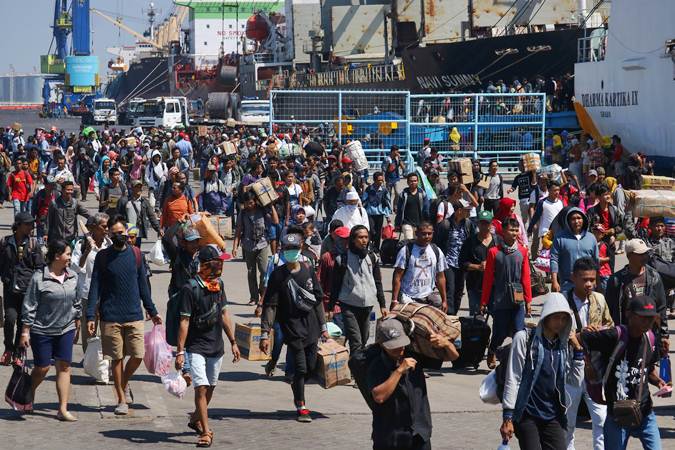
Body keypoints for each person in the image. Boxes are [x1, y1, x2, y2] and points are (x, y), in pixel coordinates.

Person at [86, 215, 162, 416]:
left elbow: (143, 286)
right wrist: (90, 317)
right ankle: (120, 397)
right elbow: (95, 287)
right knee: (117, 359)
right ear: (109, 233)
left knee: (138, 355)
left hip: (134, 314)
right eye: (116, 233)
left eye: (122, 233)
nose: (120, 236)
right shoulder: (103, 257)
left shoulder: (136, 255)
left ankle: (124, 382)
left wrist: (152, 311)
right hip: (111, 316)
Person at [580, 296, 668, 450]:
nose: (647, 322)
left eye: (650, 318)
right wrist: (588, 365)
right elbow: (582, 338)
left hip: (645, 412)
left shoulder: (651, 338)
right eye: (642, 317)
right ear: (629, 314)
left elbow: (647, 369)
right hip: (617, 415)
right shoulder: (614, 336)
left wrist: (657, 381)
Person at [500, 293, 585, 450]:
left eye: (563, 318)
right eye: (555, 317)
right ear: (546, 316)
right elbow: (514, 377)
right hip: (527, 414)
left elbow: (575, 381)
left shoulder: (563, 345)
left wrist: (578, 351)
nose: (559, 322)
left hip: (553, 415)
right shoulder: (524, 338)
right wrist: (508, 417)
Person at [175, 245, 240, 448]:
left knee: (210, 388)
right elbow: (183, 323)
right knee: (201, 389)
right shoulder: (190, 288)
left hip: (216, 347)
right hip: (196, 347)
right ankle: (205, 431)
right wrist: (180, 352)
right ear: (203, 265)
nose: (218, 267)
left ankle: (196, 418)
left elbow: (224, 315)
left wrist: (233, 342)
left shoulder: (219, 285)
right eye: (214, 263)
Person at [260, 233, 329, 423]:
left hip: (312, 327)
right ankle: (301, 405)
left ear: (300, 249)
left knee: (311, 366)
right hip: (291, 328)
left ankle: (296, 384)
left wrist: (324, 327)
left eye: (294, 249)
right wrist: (264, 334)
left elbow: (318, 301)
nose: (291, 253)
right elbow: (270, 306)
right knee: (300, 367)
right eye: (287, 249)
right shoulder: (277, 275)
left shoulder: (308, 271)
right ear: (282, 250)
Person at [367, 317, 459, 450]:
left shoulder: (415, 355)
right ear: (382, 344)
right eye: (393, 347)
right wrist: (399, 371)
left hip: (419, 433)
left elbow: (453, 357)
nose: (399, 349)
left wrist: (447, 344)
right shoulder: (376, 365)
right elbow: (379, 397)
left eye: (401, 344)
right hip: (390, 436)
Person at [19, 240, 79, 421]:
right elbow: (30, 305)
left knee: (64, 366)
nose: (70, 257)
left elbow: (76, 301)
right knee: (43, 367)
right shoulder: (39, 278)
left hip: (65, 328)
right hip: (42, 330)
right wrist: (25, 331)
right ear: (57, 256)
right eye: (67, 254)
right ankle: (27, 392)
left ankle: (62, 409)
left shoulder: (72, 276)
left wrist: (77, 320)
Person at [563, 257, 614, 450]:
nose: (589, 284)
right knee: (568, 421)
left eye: (592, 279)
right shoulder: (562, 301)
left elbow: (611, 327)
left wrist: (600, 331)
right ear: (573, 278)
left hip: (595, 369)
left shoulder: (599, 299)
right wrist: (579, 334)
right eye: (584, 279)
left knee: (600, 419)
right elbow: (556, 333)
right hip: (570, 369)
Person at [481, 218, 532, 369]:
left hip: (518, 299)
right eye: (511, 230)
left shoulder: (522, 251)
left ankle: (517, 361)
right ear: (503, 232)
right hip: (500, 299)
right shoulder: (493, 252)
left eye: (517, 230)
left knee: (519, 332)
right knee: (500, 332)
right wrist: (484, 301)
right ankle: (492, 350)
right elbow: (488, 279)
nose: (515, 233)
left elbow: (526, 276)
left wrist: (528, 300)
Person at [605, 239, 669, 355]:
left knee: (648, 368)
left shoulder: (654, 277)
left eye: (646, 253)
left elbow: (661, 308)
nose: (644, 256)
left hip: (649, 333)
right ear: (629, 256)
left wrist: (664, 335)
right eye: (640, 254)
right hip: (625, 334)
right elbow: (609, 309)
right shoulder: (616, 280)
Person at [330, 225, 386, 354]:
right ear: (353, 240)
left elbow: (377, 282)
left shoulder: (373, 257)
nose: (364, 240)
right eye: (360, 237)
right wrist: (331, 307)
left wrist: (382, 304)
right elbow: (336, 284)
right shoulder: (342, 259)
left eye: (366, 237)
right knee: (356, 341)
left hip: (367, 305)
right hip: (349, 305)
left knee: (365, 338)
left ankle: (354, 363)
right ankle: (358, 371)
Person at [0, 212, 45, 366]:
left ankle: (19, 353)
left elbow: (40, 267)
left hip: (27, 290)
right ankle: (8, 348)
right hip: (10, 288)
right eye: (27, 224)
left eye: (32, 224)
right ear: (18, 225)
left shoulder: (33, 244)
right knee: (10, 319)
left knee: (22, 321)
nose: (31, 227)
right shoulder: (5, 242)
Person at [70, 213, 111, 352]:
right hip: (87, 292)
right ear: (94, 228)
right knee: (89, 327)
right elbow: (75, 267)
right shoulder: (81, 244)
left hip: (107, 292)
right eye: (104, 226)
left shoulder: (110, 244)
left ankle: (104, 356)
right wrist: (86, 251)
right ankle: (89, 357)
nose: (107, 229)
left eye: (108, 226)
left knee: (107, 327)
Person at [232, 191, 279, 304]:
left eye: (251, 202)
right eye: (247, 203)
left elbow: (276, 221)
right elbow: (238, 231)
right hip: (248, 246)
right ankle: (253, 297)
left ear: (255, 201)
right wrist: (235, 247)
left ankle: (263, 294)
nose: (249, 205)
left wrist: (271, 205)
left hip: (262, 244)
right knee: (251, 272)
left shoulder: (262, 210)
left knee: (264, 271)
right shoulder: (242, 214)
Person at [391, 222, 447, 311]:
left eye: (430, 233)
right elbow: (397, 277)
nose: (427, 236)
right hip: (408, 296)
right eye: (424, 234)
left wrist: (444, 300)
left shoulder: (436, 251)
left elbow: (441, 277)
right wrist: (394, 300)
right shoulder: (406, 250)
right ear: (416, 234)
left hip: (428, 295)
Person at [436, 199, 475, 315]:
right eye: (466, 210)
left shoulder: (468, 224)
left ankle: (454, 314)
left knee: (459, 292)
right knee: (450, 290)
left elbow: (473, 240)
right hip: (448, 263)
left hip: (462, 263)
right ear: (459, 211)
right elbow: (437, 244)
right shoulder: (445, 224)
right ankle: (450, 316)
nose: (468, 212)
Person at [550, 207, 598, 293]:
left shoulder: (591, 238)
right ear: (568, 221)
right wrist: (554, 281)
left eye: (579, 218)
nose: (576, 221)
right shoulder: (560, 238)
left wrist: (597, 281)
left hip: (587, 284)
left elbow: (596, 261)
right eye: (573, 219)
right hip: (567, 285)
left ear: (584, 220)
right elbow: (554, 259)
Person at [459, 210, 496, 316]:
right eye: (482, 223)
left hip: (494, 287)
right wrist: (477, 267)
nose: (484, 226)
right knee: (476, 321)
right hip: (475, 286)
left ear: (491, 224)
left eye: (487, 223)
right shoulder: (469, 242)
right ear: (478, 224)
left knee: (499, 319)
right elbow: (462, 263)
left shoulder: (498, 241)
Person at [116, 179, 161, 247]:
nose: (138, 189)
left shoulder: (144, 202)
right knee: (126, 249)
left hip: (138, 232)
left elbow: (151, 216)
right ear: (132, 188)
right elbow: (118, 215)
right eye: (136, 187)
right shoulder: (124, 200)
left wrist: (158, 229)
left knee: (136, 250)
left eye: (140, 187)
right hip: (126, 231)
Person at [528, 179, 564, 256]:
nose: (557, 192)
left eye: (558, 190)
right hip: (546, 232)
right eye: (554, 190)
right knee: (548, 253)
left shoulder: (561, 202)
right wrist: (530, 229)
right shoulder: (542, 203)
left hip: (558, 232)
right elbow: (536, 216)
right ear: (549, 190)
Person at [362, 172, 391, 250]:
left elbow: (386, 203)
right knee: (371, 231)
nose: (381, 182)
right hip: (370, 214)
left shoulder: (384, 190)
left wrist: (388, 216)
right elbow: (363, 201)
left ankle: (376, 249)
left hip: (380, 214)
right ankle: (369, 247)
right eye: (379, 180)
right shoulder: (368, 190)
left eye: (382, 180)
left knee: (378, 233)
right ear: (374, 180)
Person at [395, 173, 428, 240]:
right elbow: (399, 210)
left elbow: (426, 209)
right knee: (409, 242)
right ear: (407, 182)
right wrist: (397, 223)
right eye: (411, 181)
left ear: (418, 182)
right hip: (407, 223)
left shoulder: (422, 194)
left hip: (419, 224)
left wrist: (427, 222)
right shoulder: (403, 194)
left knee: (417, 243)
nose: (413, 183)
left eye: (415, 181)